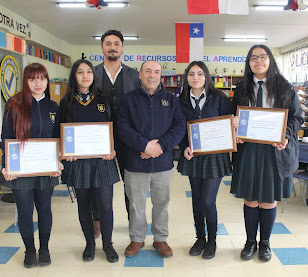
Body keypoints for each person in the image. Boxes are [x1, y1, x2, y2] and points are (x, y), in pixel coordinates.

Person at [231, 45, 303, 262]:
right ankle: (250, 241)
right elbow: (232, 115)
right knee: (251, 199)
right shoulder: (241, 88)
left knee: (269, 200)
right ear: (249, 62)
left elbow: (296, 118)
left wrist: (286, 136)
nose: (258, 61)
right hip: (249, 150)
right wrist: (235, 128)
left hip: (274, 151)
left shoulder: (285, 88)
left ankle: (265, 243)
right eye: (254, 58)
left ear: (270, 60)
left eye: (263, 57)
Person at [117, 60, 186, 258]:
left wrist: (160, 146)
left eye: (156, 72)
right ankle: (137, 239)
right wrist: (144, 146)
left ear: (161, 75)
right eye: (148, 71)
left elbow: (179, 126)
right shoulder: (128, 99)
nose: (152, 75)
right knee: (136, 204)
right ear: (140, 74)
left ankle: (160, 238)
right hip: (135, 162)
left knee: (162, 203)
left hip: (162, 164)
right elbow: (122, 127)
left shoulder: (172, 100)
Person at [0, 63, 62, 268]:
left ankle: (44, 248)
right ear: (25, 81)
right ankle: (29, 250)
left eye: (42, 79)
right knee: (25, 211)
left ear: (47, 81)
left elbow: (58, 139)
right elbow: (7, 138)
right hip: (21, 170)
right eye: (33, 79)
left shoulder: (53, 107)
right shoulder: (14, 104)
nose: (38, 83)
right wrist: (6, 165)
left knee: (44, 209)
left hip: (46, 169)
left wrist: (59, 159)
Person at [59, 59, 120, 263]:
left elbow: (114, 128)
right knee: (83, 205)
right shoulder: (66, 102)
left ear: (94, 76)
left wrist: (112, 148)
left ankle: (108, 244)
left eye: (89, 72)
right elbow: (62, 132)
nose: (85, 76)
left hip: (103, 160)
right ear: (74, 76)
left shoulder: (103, 99)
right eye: (80, 72)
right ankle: (89, 244)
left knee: (105, 206)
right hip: (78, 162)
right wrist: (66, 152)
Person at [177, 61, 233, 259]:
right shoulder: (181, 100)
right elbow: (179, 128)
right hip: (193, 157)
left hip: (215, 157)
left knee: (208, 201)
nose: (195, 78)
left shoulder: (219, 99)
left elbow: (229, 126)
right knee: (197, 201)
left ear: (207, 77)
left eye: (200, 74)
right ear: (186, 78)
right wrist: (184, 147)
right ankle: (200, 238)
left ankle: (212, 241)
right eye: (191, 74)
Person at [92, 29, 140, 236]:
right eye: (108, 43)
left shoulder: (134, 75)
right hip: (98, 140)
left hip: (128, 139)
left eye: (116, 44)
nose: (112, 47)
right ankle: (97, 220)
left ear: (122, 48)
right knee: (98, 182)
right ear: (102, 47)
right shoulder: (91, 74)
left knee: (131, 182)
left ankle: (134, 221)